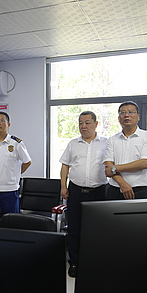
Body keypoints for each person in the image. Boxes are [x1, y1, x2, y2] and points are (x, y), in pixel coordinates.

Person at [59, 111, 108, 278]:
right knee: (74, 228)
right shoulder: (73, 144)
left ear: (96, 124)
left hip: (99, 192)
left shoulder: (106, 143)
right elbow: (65, 165)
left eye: (87, 122)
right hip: (75, 191)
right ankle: (74, 263)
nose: (83, 126)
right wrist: (63, 186)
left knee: (97, 230)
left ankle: (95, 262)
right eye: (80, 123)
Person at [0, 111, 32, 227]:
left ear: (8, 124)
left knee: (12, 224)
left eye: (2, 121)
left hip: (9, 192)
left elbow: (27, 162)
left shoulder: (16, 143)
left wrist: (14, 173)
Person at [104, 101, 147, 200]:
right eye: (122, 113)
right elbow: (108, 167)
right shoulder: (112, 139)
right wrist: (123, 184)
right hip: (115, 190)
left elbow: (144, 164)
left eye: (130, 112)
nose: (126, 115)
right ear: (119, 118)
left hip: (140, 191)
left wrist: (115, 168)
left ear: (138, 117)